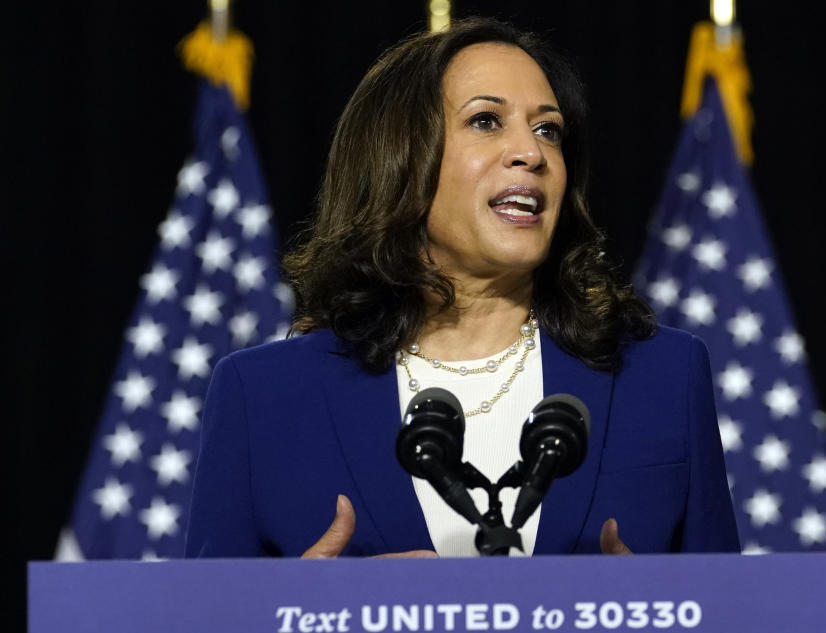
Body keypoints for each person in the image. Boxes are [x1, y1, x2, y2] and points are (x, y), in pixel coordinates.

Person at [185, 18, 739, 559]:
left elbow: (728, 618)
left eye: (548, 129)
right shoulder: (262, 398)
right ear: (400, 158)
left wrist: (661, 614)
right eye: (487, 121)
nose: (532, 152)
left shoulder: (664, 376)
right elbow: (206, 624)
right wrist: (311, 613)